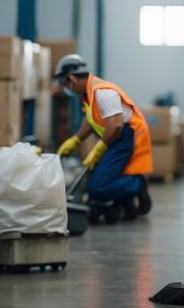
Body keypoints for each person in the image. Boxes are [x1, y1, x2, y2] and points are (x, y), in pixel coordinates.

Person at [54, 54, 153, 220]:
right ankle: (125, 202)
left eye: (64, 83)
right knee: (96, 178)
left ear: (71, 78)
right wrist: (76, 139)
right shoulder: (87, 94)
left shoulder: (102, 93)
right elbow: (90, 118)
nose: (65, 87)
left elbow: (116, 125)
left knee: (98, 188)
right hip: (113, 138)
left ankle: (137, 184)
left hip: (124, 137)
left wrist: (98, 150)